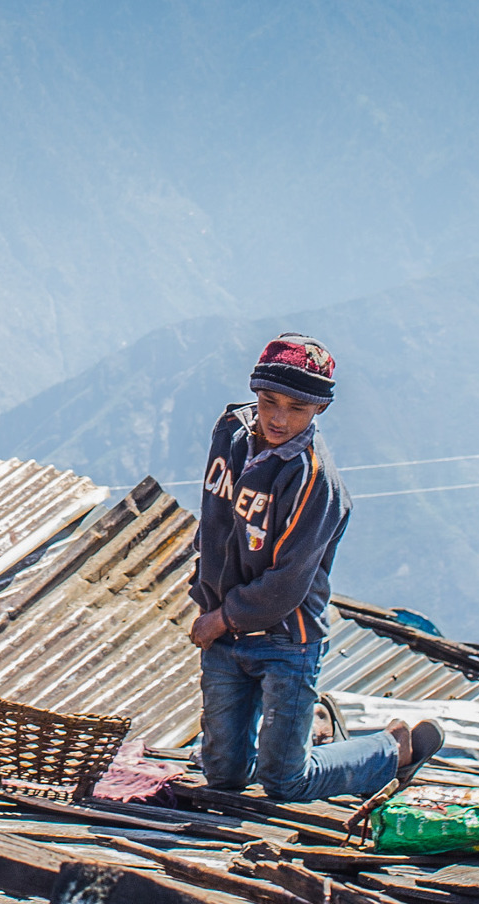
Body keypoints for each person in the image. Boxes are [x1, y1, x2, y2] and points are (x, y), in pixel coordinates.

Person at [187, 334, 441, 802]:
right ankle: (311, 723)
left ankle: (394, 749)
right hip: (227, 633)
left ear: (319, 410)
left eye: (297, 408)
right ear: (255, 394)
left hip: (287, 638)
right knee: (223, 777)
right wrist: (204, 590)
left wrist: (219, 618)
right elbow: (214, 514)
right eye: (268, 401)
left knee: (284, 781)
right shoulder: (230, 433)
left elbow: (286, 584)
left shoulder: (314, 481)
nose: (279, 418)